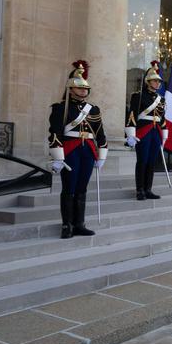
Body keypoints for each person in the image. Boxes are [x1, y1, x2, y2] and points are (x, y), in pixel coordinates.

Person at [48, 61, 108, 239]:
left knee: (82, 187)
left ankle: (79, 223)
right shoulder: (60, 108)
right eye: (80, 88)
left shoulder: (93, 109)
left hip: (88, 150)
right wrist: (58, 157)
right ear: (71, 89)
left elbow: (100, 134)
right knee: (69, 188)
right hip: (71, 150)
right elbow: (54, 134)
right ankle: (67, 224)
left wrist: (102, 154)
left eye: (86, 89)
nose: (84, 91)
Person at [125, 62, 168, 201]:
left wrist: (164, 132)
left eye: (158, 81)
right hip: (143, 131)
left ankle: (148, 189)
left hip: (156, 132)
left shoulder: (161, 99)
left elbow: (163, 118)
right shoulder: (138, 96)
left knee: (151, 162)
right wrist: (131, 134)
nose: (157, 83)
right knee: (142, 160)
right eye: (155, 80)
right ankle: (140, 190)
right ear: (148, 81)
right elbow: (131, 115)